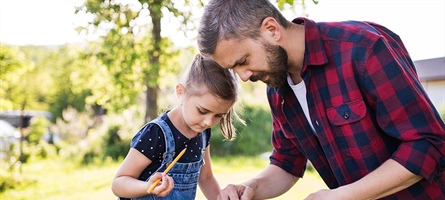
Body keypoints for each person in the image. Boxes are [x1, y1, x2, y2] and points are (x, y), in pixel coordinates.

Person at [197, 0, 445, 199]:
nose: (243, 77)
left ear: (271, 29)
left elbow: (428, 144)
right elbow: (286, 164)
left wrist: (342, 196)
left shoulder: (362, 49)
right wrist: (249, 188)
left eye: (243, 61)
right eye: (234, 69)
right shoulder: (276, 87)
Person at [111, 54, 242, 200]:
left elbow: (205, 178)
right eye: (202, 111)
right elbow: (119, 183)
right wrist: (148, 186)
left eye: (219, 116)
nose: (208, 122)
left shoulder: (203, 133)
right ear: (181, 92)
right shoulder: (156, 133)